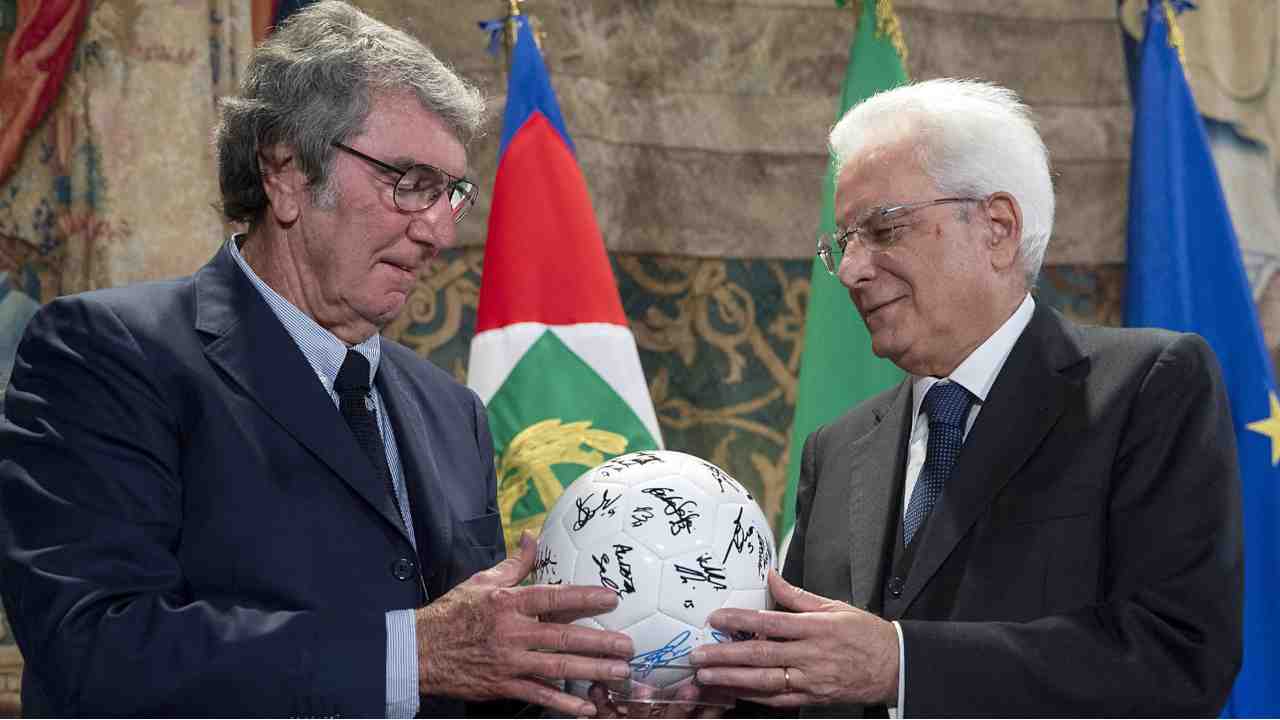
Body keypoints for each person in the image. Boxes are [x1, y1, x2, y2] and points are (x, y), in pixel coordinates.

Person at [0, 2, 634, 716]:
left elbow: (475, 680)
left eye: (450, 194)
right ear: (287, 174)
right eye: (410, 183)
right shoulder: (107, 352)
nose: (439, 233)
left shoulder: (452, 412)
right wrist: (410, 653)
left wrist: (605, 697)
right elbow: (93, 648)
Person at [690, 78, 1243, 716]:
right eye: (842, 242)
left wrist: (902, 665)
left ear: (998, 228)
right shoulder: (836, 450)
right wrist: (678, 699)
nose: (851, 270)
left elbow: (1177, 658)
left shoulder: (1145, 387)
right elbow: (800, 685)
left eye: (883, 228)